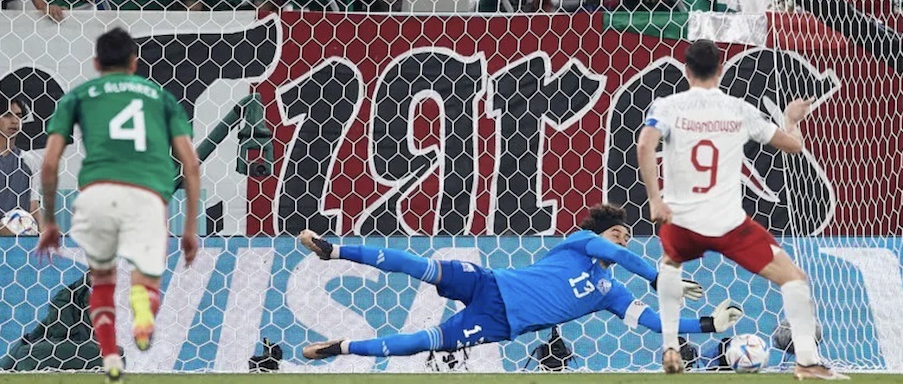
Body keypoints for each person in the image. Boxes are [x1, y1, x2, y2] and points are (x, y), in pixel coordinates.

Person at [636, 39, 846, 379]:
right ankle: (807, 363)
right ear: (720, 69)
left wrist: (655, 199)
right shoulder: (739, 109)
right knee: (794, 278)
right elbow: (793, 146)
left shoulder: (668, 106)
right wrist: (791, 119)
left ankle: (670, 347)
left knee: (670, 264)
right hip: (729, 224)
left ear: (686, 70)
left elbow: (645, 144)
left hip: (682, 220)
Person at [300, 203, 744, 360]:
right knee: (422, 266)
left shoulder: (611, 292)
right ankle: (333, 250)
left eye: (628, 235)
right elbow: (619, 255)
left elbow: (654, 322)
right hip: (491, 283)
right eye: (617, 232)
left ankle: (340, 347)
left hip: (500, 323)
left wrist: (708, 325)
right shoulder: (581, 243)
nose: (623, 239)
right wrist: (658, 276)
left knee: (425, 341)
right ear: (600, 232)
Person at [34, 27, 201, 383]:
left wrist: (49, 221)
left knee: (102, 280)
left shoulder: (79, 96)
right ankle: (143, 312)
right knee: (145, 276)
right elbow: (190, 164)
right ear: (134, 63)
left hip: (97, 194)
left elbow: (49, 164)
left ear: (96, 63)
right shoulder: (160, 97)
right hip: (147, 195)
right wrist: (189, 228)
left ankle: (110, 354)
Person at [0, 98, 39, 233]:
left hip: (20, 240)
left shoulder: (28, 160)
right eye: (7, 115)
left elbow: (34, 208)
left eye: (19, 116)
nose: (15, 121)